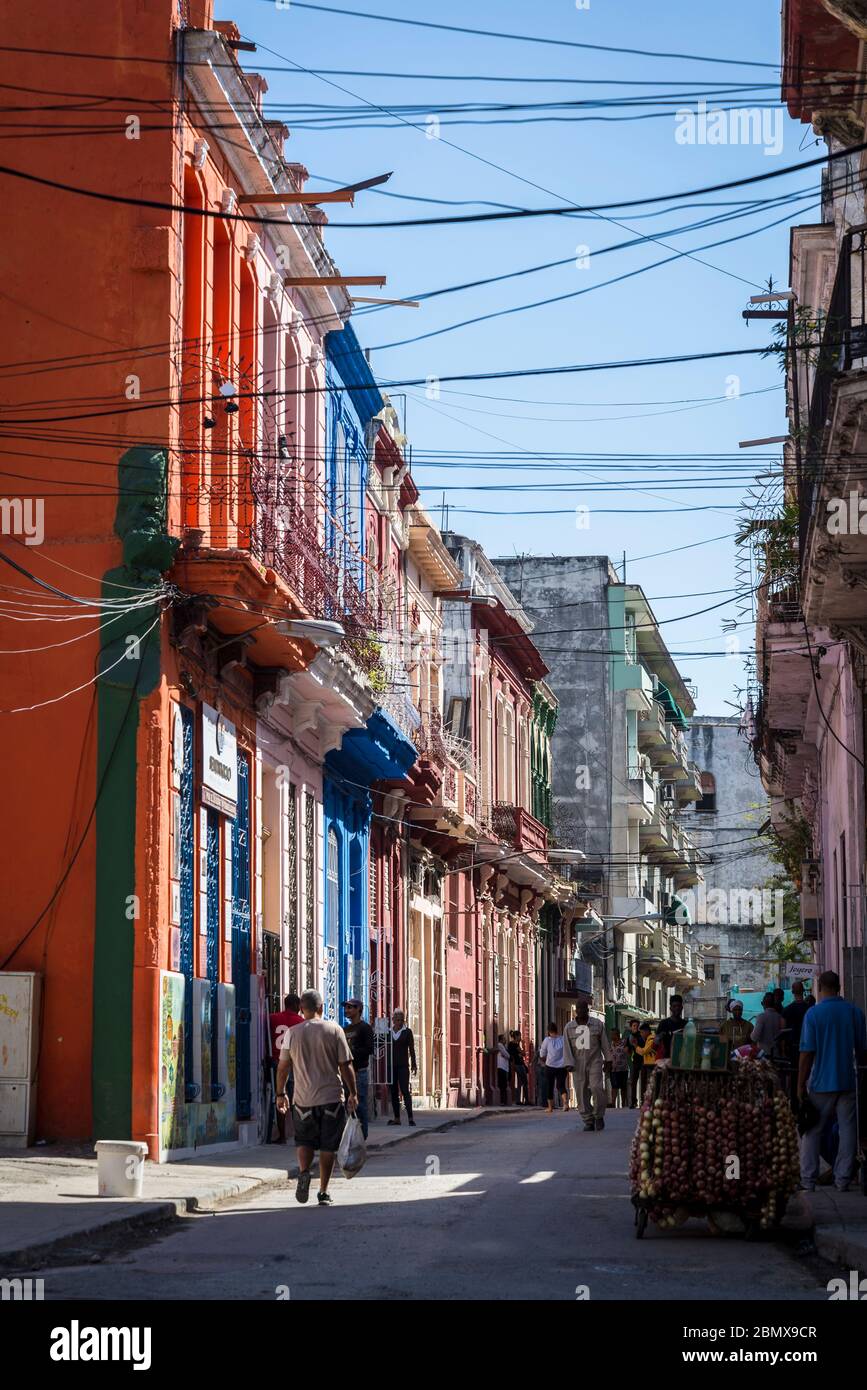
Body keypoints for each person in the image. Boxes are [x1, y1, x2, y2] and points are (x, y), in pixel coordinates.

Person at [275, 989, 357, 1207]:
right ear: (321, 1007)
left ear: (301, 1009)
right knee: (328, 1146)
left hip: (303, 1100)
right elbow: (346, 1065)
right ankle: (323, 1191)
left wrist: (280, 1094)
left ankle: (304, 1172)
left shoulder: (292, 1033)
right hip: (331, 1099)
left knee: (304, 1141)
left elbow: (283, 1067)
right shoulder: (334, 1030)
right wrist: (353, 1093)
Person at [798, 970, 867, 1193]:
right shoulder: (855, 1013)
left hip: (821, 1083)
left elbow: (807, 1054)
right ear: (839, 987)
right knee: (848, 1131)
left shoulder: (813, 1014)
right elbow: (862, 1050)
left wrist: (800, 1084)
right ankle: (842, 1179)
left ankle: (808, 1179)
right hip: (848, 1081)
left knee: (812, 1131)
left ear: (820, 987)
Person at [563, 1001, 612, 1131]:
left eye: (583, 1008)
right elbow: (567, 1047)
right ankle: (588, 1120)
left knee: (596, 1087)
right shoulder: (569, 1027)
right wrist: (568, 1063)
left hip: (594, 1060)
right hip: (578, 1063)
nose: (581, 1011)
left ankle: (599, 1115)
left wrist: (608, 1060)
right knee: (581, 1092)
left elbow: (605, 1043)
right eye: (578, 1009)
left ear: (587, 1009)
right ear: (576, 1011)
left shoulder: (597, 1024)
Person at [268, 993, 303, 1142]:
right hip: (293, 1063)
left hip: (276, 1062)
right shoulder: (301, 1022)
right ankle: (299, 1134)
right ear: (296, 1006)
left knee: (279, 1097)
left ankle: (282, 1135)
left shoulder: (273, 1018)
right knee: (296, 1100)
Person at [342, 998, 375, 1140]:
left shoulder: (365, 1028)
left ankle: (362, 1138)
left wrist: (351, 1054)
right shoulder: (345, 1029)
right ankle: (352, 1138)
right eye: (346, 1007)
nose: (347, 1010)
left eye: (350, 1007)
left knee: (360, 1106)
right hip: (346, 1073)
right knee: (347, 1105)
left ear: (358, 1010)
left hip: (360, 1072)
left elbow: (369, 1049)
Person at [388, 1009, 417, 1127]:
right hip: (391, 1066)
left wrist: (414, 1064)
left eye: (401, 1020)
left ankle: (410, 1118)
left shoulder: (407, 1032)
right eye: (397, 1020)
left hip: (403, 1066)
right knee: (393, 1092)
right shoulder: (388, 1032)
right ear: (393, 1020)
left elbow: (411, 1049)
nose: (399, 1022)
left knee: (405, 1091)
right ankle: (397, 1118)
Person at [539, 1022, 569, 1113]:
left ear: (548, 1031)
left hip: (550, 1066)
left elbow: (542, 1054)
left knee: (550, 1086)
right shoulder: (563, 1039)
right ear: (557, 1030)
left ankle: (550, 1107)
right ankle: (565, 1103)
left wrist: (545, 1060)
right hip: (562, 1067)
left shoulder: (547, 1040)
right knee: (561, 1085)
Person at [783, 981, 813, 1051]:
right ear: (803, 990)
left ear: (792, 992)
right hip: (808, 1044)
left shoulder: (786, 1010)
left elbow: (783, 1029)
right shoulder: (810, 1009)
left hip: (792, 1044)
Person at [634, 1022, 658, 1100]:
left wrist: (636, 1047)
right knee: (646, 1084)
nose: (641, 1034)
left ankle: (649, 1100)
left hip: (651, 1065)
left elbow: (644, 1051)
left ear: (647, 1031)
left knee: (650, 1084)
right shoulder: (648, 1039)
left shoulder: (651, 1039)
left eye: (642, 1032)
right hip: (648, 1064)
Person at [625, 1018, 644, 1107]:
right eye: (634, 1026)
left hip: (644, 1061)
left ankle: (643, 1100)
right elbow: (627, 1049)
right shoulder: (629, 1037)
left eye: (637, 1026)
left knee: (643, 1081)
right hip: (635, 1061)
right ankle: (633, 1102)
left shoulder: (642, 1036)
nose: (636, 1027)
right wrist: (628, 1050)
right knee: (633, 1082)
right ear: (631, 1027)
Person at [508, 1030, 531, 1105]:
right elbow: (523, 1053)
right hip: (519, 1064)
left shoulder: (511, 1044)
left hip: (516, 1064)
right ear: (516, 1036)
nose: (520, 1037)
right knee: (524, 1082)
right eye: (520, 1036)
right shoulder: (515, 1044)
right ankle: (526, 1100)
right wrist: (523, 1046)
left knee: (519, 1082)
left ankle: (518, 1100)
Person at [609, 1029, 630, 1109]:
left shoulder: (624, 1043)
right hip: (613, 1069)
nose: (611, 1036)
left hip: (623, 1069)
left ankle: (623, 1104)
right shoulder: (611, 1044)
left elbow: (628, 1052)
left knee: (623, 1087)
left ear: (616, 1035)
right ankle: (613, 1104)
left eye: (612, 1034)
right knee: (614, 1086)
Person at [496, 1033, 511, 1106]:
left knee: (503, 1085)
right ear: (501, 1040)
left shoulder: (503, 1046)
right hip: (501, 1067)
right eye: (504, 1039)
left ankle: (503, 1101)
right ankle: (502, 1101)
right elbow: (507, 1055)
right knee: (503, 1085)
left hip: (504, 1068)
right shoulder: (500, 1045)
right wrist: (506, 1055)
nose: (505, 1040)